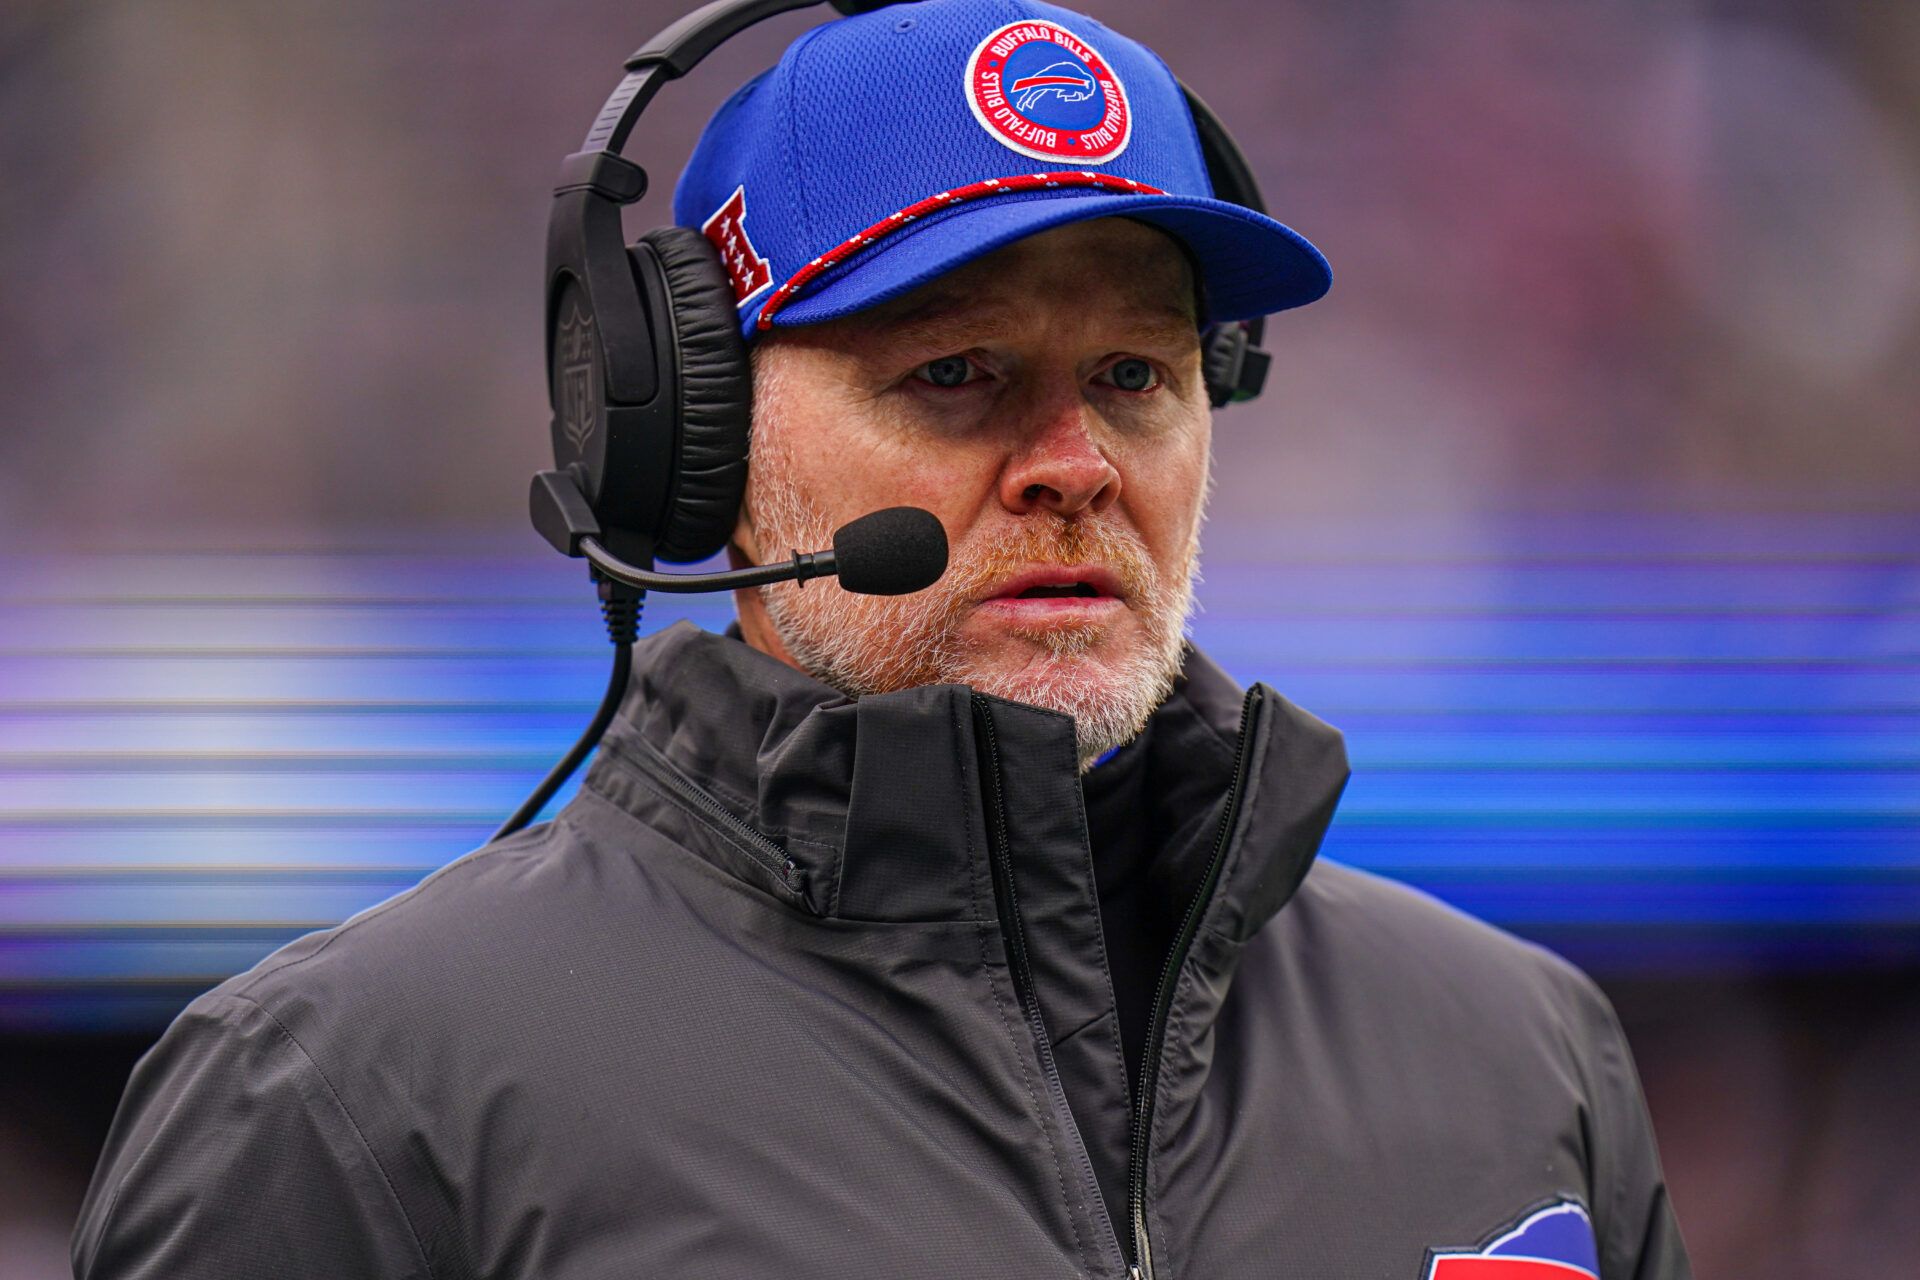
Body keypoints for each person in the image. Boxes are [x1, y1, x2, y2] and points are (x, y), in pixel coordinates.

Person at [72, 2, 1691, 1277]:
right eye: (956, 373)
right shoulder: (351, 1101)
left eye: (1138, 374)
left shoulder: (1522, 1055)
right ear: (691, 441)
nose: (1077, 461)